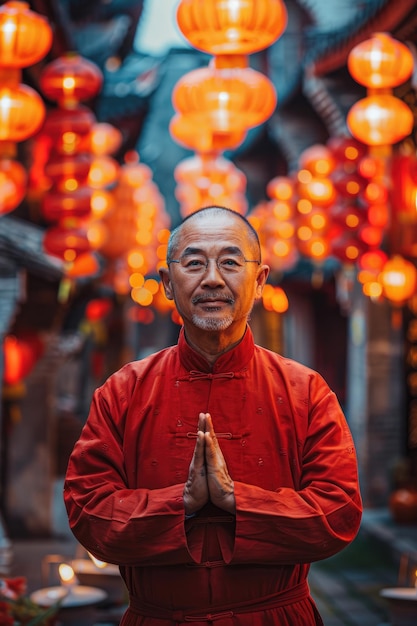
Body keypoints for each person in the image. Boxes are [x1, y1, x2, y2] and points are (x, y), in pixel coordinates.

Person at [64, 205, 362, 626]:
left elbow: (340, 511)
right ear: (167, 283)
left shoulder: (305, 392)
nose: (212, 279)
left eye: (229, 262)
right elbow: (86, 508)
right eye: (194, 263)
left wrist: (236, 501)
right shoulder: (124, 391)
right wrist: (180, 503)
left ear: (259, 281)